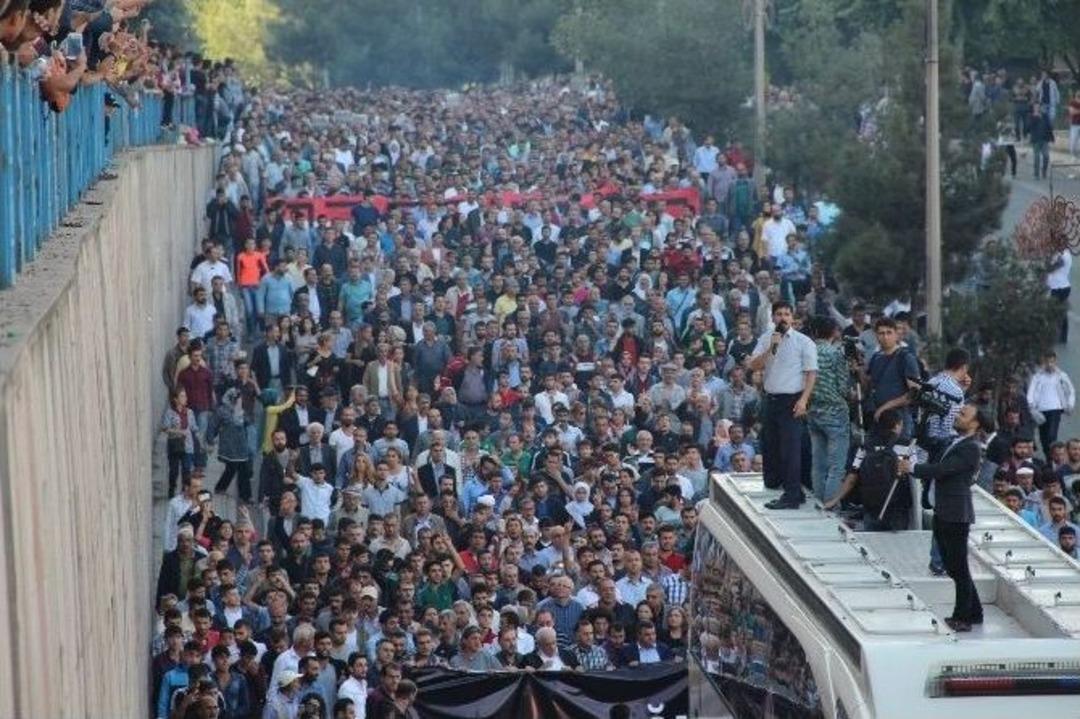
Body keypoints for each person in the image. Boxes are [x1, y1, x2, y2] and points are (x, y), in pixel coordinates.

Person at [899, 404, 985, 632]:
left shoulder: (971, 448)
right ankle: (975, 611)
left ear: (975, 424)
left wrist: (912, 468)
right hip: (944, 510)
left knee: (958, 566)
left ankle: (963, 617)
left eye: (964, 414)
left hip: (956, 514)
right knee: (953, 565)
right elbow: (932, 448)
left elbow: (942, 469)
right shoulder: (955, 442)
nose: (958, 415)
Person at [748, 301, 818, 509]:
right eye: (779, 314)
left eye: (787, 314)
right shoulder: (766, 338)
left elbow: (811, 373)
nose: (783, 318)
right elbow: (754, 365)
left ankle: (793, 494)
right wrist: (772, 347)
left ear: (792, 317)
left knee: (791, 448)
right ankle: (776, 482)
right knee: (771, 444)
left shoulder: (803, 342)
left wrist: (804, 400)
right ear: (773, 317)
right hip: (771, 399)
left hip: (792, 399)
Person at [824, 409, 911, 531]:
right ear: (897, 425)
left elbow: (852, 477)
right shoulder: (906, 446)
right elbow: (914, 475)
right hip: (897, 507)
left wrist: (834, 500)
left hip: (871, 506)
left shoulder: (866, 445)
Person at [806, 316, 850, 502]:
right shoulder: (835, 354)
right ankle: (831, 505)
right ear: (833, 332)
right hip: (835, 412)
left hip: (813, 410)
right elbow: (843, 387)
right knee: (836, 466)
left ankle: (817, 502)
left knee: (818, 464)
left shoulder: (807, 351)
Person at [1027, 351, 1076, 458]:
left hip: (1055, 409)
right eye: (1047, 362)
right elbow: (1031, 391)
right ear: (1044, 362)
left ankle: (1053, 458)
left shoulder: (1061, 376)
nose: (1050, 364)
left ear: (1055, 362)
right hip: (1041, 410)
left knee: (1051, 435)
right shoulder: (1038, 376)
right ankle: (1049, 458)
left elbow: (1070, 390)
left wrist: (1070, 405)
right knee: (1043, 437)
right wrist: (1031, 405)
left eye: (1052, 362)